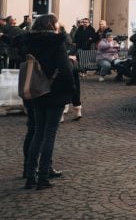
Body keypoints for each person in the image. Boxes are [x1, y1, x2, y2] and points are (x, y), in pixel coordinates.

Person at [18, 14, 75, 190]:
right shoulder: (57, 43)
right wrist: (71, 88)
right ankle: (43, 177)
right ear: (52, 25)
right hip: (54, 92)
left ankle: (30, 176)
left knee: (37, 134)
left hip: (36, 91)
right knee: (49, 135)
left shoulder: (29, 42)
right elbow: (65, 70)